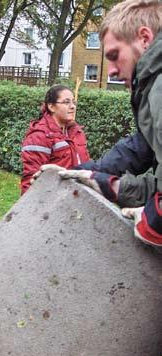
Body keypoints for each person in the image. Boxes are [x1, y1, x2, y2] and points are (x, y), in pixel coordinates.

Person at [48, 0, 162, 246]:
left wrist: (154, 218)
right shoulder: (152, 88)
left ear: (144, 38)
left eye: (114, 55)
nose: (110, 70)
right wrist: (89, 174)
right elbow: (139, 149)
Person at [20, 85, 90, 194]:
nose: (72, 106)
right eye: (66, 102)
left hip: (77, 199)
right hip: (53, 201)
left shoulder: (77, 132)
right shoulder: (40, 136)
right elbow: (31, 180)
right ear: (51, 107)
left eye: (73, 102)